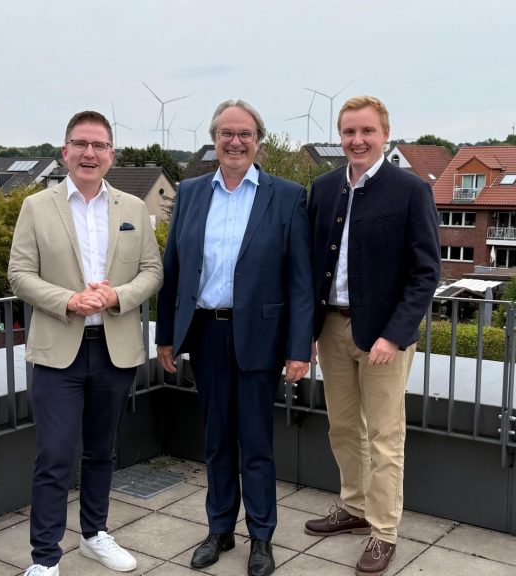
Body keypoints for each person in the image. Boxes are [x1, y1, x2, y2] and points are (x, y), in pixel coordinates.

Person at [156, 99, 313, 576]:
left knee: (256, 442)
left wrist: (298, 347)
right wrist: (166, 336)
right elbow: (173, 268)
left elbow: (300, 280)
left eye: (245, 134)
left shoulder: (286, 195)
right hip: (205, 333)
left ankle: (261, 537)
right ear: (214, 139)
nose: (235, 142)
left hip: (261, 337)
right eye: (226, 133)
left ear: (258, 141)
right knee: (217, 439)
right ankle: (219, 529)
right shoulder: (190, 192)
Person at [8, 110, 163, 576]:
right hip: (59, 351)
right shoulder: (37, 206)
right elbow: (19, 274)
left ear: (111, 154)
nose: (89, 153)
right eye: (80, 144)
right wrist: (68, 300)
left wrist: (117, 296)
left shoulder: (132, 208)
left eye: (99, 145)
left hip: (114, 349)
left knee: (101, 451)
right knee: (54, 455)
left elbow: (152, 272)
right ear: (65, 151)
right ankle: (45, 558)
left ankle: (95, 534)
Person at [304, 96, 440, 576]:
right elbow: (312, 266)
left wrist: (394, 335)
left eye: (366, 131)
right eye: (349, 132)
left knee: (385, 436)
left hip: (384, 337)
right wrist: (308, 332)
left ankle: (383, 532)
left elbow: (426, 272)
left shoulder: (410, 190)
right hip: (332, 328)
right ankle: (355, 507)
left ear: (385, 134)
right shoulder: (323, 188)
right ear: (339, 136)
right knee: (343, 428)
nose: (357, 140)